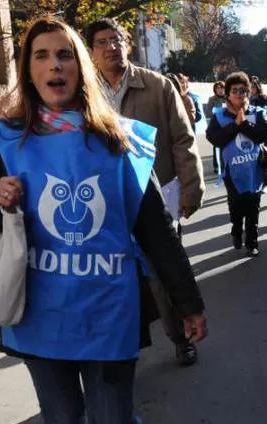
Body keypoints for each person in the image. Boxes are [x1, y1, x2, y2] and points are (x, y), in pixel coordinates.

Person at [0, 17, 207, 424]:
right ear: (28, 69)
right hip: (38, 314)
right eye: (43, 55)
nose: (55, 65)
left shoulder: (121, 142)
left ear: (81, 67)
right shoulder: (5, 140)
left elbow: (156, 232)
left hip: (108, 310)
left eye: (65, 55)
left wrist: (188, 304)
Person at [86, 18, 205, 367]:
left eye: (117, 39)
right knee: (118, 277)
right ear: (91, 52)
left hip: (158, 194)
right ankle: (124, 349)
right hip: (107, 202)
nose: (111, 47)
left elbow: (183, 138)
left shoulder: (157, 86)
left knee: (161, 271)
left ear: (128, 45)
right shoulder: (85, 92)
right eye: (102, 42)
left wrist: (191, 187)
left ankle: (181, 338)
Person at [206, 72, 267, 256]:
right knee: (236, 208)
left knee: (253, 207)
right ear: (227, 94)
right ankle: (236, 230)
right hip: (232, 172)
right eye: (235, 90)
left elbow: (264, 135)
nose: (239, 94)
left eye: (243, 90)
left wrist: (243, 124)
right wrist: (235, 125)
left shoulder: (258, 113)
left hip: (255, 170)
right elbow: (215, 139)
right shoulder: (219, 116)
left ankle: (252, 242)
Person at [205, 81, 228, 177]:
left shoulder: (228, 98)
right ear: (215, 89)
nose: (220, 90)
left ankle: (226, 163)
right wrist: (217, 112)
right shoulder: (211, 99)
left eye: (222, 88)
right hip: (216, 125)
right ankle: (216, 165)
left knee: (227, 145)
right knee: (217, 146)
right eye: (218, 88)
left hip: (226, 125)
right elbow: (207, 112)